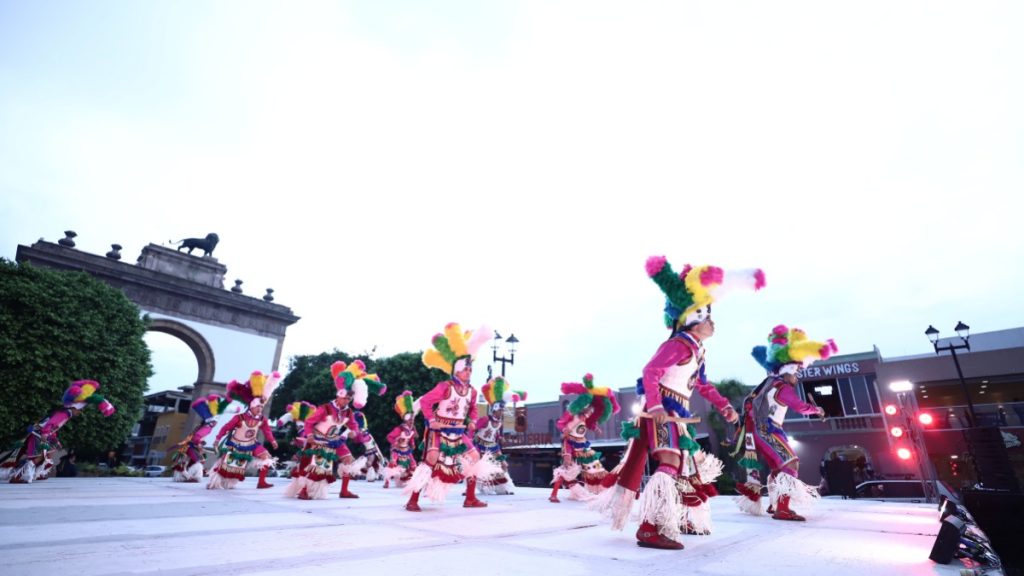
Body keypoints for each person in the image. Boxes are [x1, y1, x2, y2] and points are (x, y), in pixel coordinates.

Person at [594, 257, 763, 550]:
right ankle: (650, 527)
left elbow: (702, 384)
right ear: (692, 317)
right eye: (706, 315)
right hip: (662, 411)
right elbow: (651, 372)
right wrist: (658, 408)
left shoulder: (697, 351)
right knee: (671, 462)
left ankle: (680, 519)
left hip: (676, 412)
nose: (712, 321)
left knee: (686, 467)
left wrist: (723, 405)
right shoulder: (679, 344)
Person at [733, 325, 836, 521]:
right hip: (768, 430)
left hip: (762, 430)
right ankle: (782, 508)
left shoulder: (770, 383)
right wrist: (817, 410)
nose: (797, 375)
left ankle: (775, 505)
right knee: (790, 463)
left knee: (778, 468)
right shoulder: (782, 386)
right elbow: (800, 406)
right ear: (788, 369)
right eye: (796, 370)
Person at [403, 322, 501, 512]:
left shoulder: (472, 391)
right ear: (456, 370)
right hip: (438, 430)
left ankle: (470, 498)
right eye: (465, 369)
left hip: (458, 431)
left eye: (470, 369)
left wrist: (472, 420)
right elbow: (425, 402)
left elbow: (473, 408)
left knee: (474, 456)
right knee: (431, 458)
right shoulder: (445, 386)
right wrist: (432, 420)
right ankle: (413, 500)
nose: (468, 372)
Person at [283, 360, 386, 500]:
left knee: (349, 460)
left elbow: (353, 425)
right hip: (318, 439)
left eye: (349, 399)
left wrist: (354, 432)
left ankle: (344, 491)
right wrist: (309, 435)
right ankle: (304, 489)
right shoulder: (325, 408)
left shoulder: (348, 412)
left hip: (335, 440)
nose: (346, 401)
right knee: (314, 465)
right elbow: (309, 422)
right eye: (344, 398)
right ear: (338, 396)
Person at [0, 380, 116, 484]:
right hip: (39, 433)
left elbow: (52, 426)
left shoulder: (66, 412)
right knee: (40, 457)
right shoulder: (64, 413)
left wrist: (54, 439)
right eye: (80, 410)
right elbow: (51, 424)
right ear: (75, 407)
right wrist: (46, 433)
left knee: (50, 453)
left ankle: (38, 473)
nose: (80, 413)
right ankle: (19, 476)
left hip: (44, 433)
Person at [550, 373, 619, 503]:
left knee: (595, 466)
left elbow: (590, 425)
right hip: (569, 443)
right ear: (584, 405)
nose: (589, 411)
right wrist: (565, 429)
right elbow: (560, 423)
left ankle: (600, 490)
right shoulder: (573, 413)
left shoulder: (588, 419)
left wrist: (596, 428)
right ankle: (554, 494)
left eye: (592, 410)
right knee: (567, 467)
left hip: (582, 444)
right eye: (588, 408)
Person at [208, 371, 281, 490]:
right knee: (225, 463)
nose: (260, 409)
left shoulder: (262, 419)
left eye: (262, 407)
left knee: (266, 457)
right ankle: (215, 482)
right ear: (252, 406)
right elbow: (226, 427)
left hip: (251, 444)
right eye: (258, 407)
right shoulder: (240, 417)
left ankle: (261, 482)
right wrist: (217, 439)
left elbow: (267, 431)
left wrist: (272, 441)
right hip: (235, 444)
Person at [474, 376, 526, 496]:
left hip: (493, 447)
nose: (502, 412)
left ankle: (503, 488)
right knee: (478, 468)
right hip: (481, 446)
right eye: (500, 410)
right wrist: (472, 446)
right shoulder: (485, 419)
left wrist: (499, 439)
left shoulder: (499, 422)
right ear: (495, 409)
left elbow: (495, 434)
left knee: (503, 465)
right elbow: (473, 429)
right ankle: (470, 488)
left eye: (503, 410)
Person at [172, 394, 228, 483]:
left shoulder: (200, 427)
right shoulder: (206, 428)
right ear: (213, 423)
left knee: (199, 462)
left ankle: (190, 476)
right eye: (215, 422)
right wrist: (199, 444)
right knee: (199, 463)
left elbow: (196, 439)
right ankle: (189, 477)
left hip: (188, 451)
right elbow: (197, 438)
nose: (216, 424)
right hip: (182, 475)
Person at [382, 391, 419, 489]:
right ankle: (387, 481)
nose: (411, 420)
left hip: (407, 450)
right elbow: (389, 437)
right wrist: (397, 441)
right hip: (397, 450)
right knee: (393, 463)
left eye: (412, 418)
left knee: (413, 464)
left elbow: (411, 438)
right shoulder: (400, 428)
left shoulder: (412, 429)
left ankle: (409, 481)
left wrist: (412, 443)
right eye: (409, 418)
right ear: (405, 419)